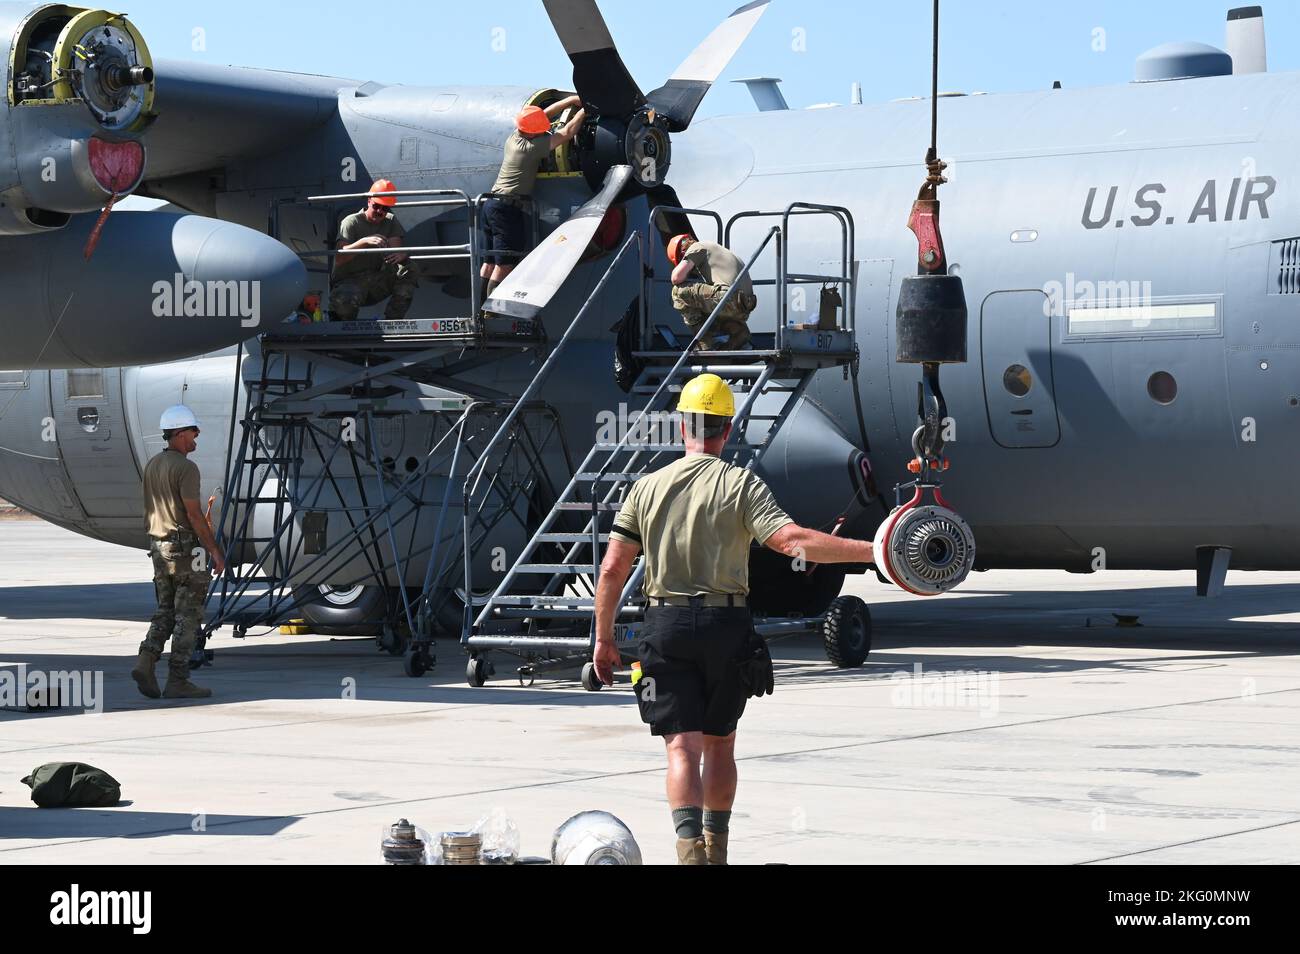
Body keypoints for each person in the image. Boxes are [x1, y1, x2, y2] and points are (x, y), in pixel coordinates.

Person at [592, 374, 875, 864]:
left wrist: (603, 639)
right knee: (721, 746)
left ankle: (689, 855)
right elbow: (793, 543)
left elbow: (614, 568)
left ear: (683, 426)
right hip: (726, 628)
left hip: (666, 627)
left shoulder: (645, 488)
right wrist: (875, 550)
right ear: (726, 430)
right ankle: (717, 851)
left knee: (681, 748)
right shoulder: (741, 484)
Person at [130, 405, 226, 700]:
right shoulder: (186, 468)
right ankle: (178, 679)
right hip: (184, 548)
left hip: (159, 547)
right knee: (189, 615)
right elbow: (194, 514)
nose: (197, 436)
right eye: (194, 431)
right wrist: (215, 551)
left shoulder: (154, 465)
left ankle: (146, 660)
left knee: (166, 610)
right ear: (181, 433)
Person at [480, 97, 586, 310]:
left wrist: (572, 100)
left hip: (491, 205)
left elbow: (542, 116)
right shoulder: (532, 147)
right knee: (506, 263)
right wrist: (586, 109)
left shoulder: (515, 137)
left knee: (489, 261)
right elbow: (567, 133)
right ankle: (492, 310)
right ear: (532, 132)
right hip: (506, 209)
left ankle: (480, 305)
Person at [330, 179, 417, 321]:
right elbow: (339, 258)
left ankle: (393, 321)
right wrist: (364, 242)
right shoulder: (351, 222)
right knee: (345, 301)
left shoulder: (390, 221)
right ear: (369, 201)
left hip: (376, 282)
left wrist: (401, 254)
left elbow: (397, 249)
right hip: (350, 282)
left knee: (410, 268)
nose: (380, 212)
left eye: (385, 209)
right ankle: (344, 325)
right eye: (377, 206)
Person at [667, 233, 758, 350]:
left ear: (682, 253)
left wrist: (682, 266)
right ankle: (739, 332)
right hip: (745, 305)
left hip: (728, 299)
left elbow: (676, 278)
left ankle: (703, 341)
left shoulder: (696, 247)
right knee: (708, 303)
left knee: (678, 292)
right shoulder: (716, 249)